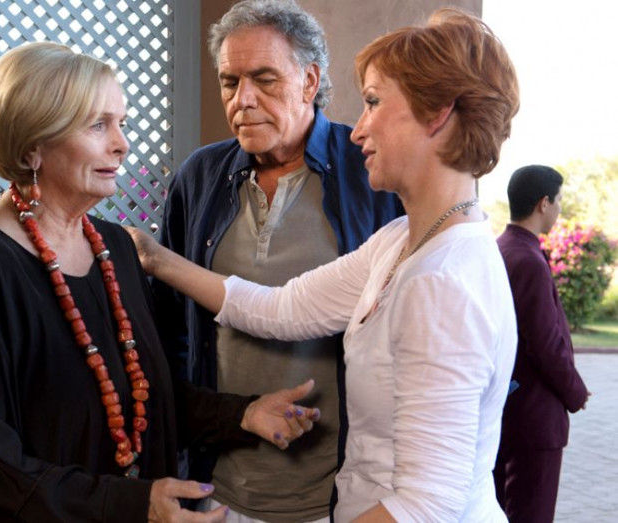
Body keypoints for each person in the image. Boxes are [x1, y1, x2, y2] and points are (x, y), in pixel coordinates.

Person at [0, 41, 322, 523]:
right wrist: (132, 503)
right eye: (98, 125)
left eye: (121, 123)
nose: (121, 144)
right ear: (32, 144)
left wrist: (240, 415)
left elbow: (141, 395)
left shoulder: (114, 247)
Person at [129, 7, 521, 522]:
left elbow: (427, 505)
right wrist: (153, 256)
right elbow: (280, 309)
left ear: (437, 114)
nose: (358, 130)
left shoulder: (443, 281)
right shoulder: (400, 240)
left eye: (374, 102)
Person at [153, 1, 402, 520]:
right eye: (230, 82)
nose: (242, 99)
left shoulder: (371, 173)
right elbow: (169, 330)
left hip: (338, 498)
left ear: (309, 81)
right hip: (218, 488)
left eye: (264, 79)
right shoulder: (199, 176)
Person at [493, 165, 590, 522]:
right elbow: (545, 343)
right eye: (559, 200)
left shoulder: (501, 248)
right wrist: (575, 392)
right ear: (543, 203)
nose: (560, 209)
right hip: (534, 417)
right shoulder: (528, 259)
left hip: (506, 409)